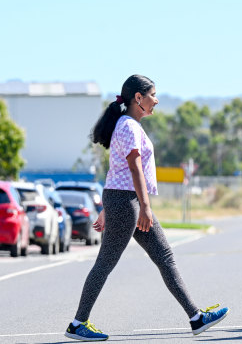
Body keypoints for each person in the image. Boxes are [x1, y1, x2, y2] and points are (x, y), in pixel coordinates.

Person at [64, 75, 229, 341]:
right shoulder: (128, 126)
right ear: (138, 98)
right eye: (153, 95)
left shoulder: (128, 125)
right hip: (127, 202)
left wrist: (111, 208)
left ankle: (196, 317)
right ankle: (77, 323)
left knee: (164, 256)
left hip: (122, 201)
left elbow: (116, 170)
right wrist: (144, 206)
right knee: (105, 263)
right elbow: (133, 167)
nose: (157, 100)